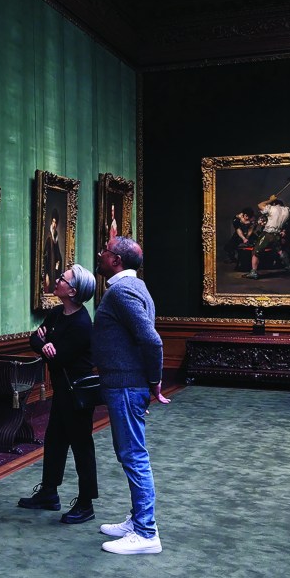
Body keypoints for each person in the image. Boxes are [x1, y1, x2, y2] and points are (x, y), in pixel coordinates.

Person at [93, 236, 169, 554]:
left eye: (105, 251)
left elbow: (152, 341)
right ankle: (138, 519)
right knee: (131, 454)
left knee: (133, 456)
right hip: (127, 383)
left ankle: (146, 533)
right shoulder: (136, 287)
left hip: (126, 384)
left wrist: (155, 382)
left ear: (116, 261)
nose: (100, 254)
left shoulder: (122, 291)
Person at [18, 263, 98, 524]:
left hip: (77, 393)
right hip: (62, 390)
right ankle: (49, 493)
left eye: (62, 279)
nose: (57, 280)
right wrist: (44, 343)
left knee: (81, 446)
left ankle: (86, 504)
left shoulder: (82, 323)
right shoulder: (55, 314)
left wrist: (47, 344)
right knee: (54, 441)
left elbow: (59, 358)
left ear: (73, 291)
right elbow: (34, 339)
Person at [243, 194, 290, 279]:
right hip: (277, 234)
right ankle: (288, 266)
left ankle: (253, 272)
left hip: (268, 234)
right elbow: (287, 221)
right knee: (280, 251)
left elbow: (260, 205)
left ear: (274, 203)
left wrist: (270, 200)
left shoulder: (272, 208)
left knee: (255, 252)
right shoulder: (287, 210)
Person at [43, 210, 62, 290]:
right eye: (53, 222)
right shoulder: (49, 238)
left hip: (54, 271)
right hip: (49, 271)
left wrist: (58, 262)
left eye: (55, 222)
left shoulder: (55, 237)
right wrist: (46, 274)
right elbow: (45, 257)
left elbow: (58, 255)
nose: (54, 225)